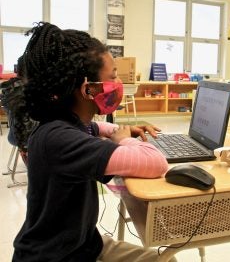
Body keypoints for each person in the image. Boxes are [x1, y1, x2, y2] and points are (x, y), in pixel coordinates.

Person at [10, 22, 176, 262]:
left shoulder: (63, 122)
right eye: (113, 77)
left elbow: (95, 127)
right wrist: (122, 141)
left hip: (83, 243)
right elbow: (155, 162)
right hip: (57, 256)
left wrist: (121, 130)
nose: (118, 84)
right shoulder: (59, 139)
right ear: (88, 90)